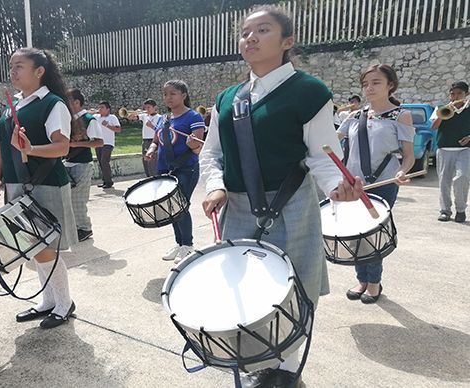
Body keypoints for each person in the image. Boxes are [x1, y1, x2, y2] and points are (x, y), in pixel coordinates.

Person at [199, 6, 363, 387]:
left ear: (287, 42)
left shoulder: (308, 91)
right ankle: (262, 361)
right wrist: (215, 185)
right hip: (238, 206)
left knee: (294, 290)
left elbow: (323, 157)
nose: (250, 38)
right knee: (248, 289)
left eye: (263, 30)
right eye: (245, 32)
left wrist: (336, 189)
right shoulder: (227, 98)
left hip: (290, 205)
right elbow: (212, 153)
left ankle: (286, 371)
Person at [0, 47, 78, 329]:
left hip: (45, 183)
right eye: (11, 66)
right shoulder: (13, 105)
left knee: (45, 248)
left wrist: (32, 148)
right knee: (32, 246)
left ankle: (64, 303)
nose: (12, 71)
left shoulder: (52, 104)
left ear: (39, 71)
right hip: (15, 185)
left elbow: (63, 146)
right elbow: (2, 148)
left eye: (19, 66)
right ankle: (48, 301)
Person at [337, 64, 415, 304]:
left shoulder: (401, 115)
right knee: (356, 233)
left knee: (372, 233)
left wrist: (402, 172)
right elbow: (330, 141)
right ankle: (361, 279)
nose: (369, 88)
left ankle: (374, 282)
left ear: (390, 85)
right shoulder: (354, 116)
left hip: (383, 184)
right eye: (366, 84)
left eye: (376, 83)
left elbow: (409, 155)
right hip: (354, 185)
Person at [145, 80, 205, 263]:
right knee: (172, 207)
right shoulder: (164, 119)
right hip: (165, 169)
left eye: (173, 94)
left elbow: (198, 145)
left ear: (183, 95)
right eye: (165, 94)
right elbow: (157, 139)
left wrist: (193, 143)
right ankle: (179, 244)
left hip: (186, 168)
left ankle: (188, 245)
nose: (168, 98)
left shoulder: (194, 117)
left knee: (181, 206)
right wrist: (152, 149)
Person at [64, 88, 103, 242]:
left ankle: (84, 228)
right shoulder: (69, 119)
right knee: (69, 198)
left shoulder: (89, 119)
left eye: (68, 101)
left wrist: (75, 144)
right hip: (68, 162)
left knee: (78, 198)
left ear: (76, 102)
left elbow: (99, 142)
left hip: (82, 163)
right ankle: (75, 227)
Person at [430, 81, 470, 223]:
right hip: (444, 149)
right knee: (444, 181)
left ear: (467, 94)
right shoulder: (441, 107)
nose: (455, 97)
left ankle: (461, 210)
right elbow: (433, 127)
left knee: (462, 178)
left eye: (459, 93)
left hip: (464, 150)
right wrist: (444, 112)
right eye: (452, 94)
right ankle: (445, 210)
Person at [128, 99, 163, 177]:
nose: (147, 109)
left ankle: (155, 178)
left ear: (155, 107)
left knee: (153, 162)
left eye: (149, 107)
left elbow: (161, 131)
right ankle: (148, 178)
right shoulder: (144, 116)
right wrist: (132, 115)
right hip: (145, 141)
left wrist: (152, 126)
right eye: (145, 108)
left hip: (154, 141)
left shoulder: (160, 117)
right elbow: (133, 118)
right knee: (145, 162)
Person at [94, 101, 121, 188]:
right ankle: (105, 181)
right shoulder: (96, 117)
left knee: (104, 161)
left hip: (108, 143)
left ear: (108, 109)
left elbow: (118, 130)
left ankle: (109, 181)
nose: (100, 109)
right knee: (101, 162)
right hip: (98, 142)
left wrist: (108, 126)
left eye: (102, 107)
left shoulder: (112, 117)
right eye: (99, 107)